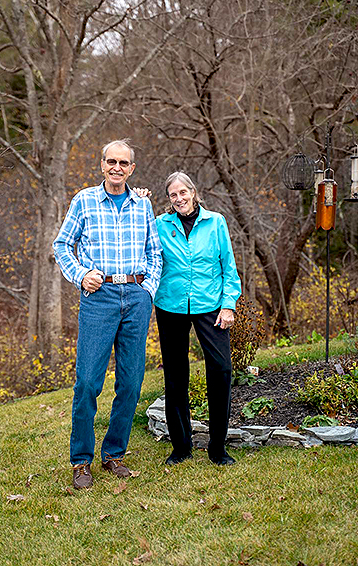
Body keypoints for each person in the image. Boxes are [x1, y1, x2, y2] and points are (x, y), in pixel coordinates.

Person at [53, 139, 162, 489]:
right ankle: (81, 461)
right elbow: (61, 245)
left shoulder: (142, 205)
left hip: (135, 296)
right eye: (111, 161)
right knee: (87, 382)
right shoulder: (84, 200)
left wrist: (148, 289)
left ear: (132, 169)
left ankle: (114, 453)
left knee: (130, 382)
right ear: (102, 165)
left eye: (124, 163)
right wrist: (80, 275)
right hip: (98, 299)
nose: (117, 168)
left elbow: (155, 251)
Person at [139, 172, 241, 466]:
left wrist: (228, 305)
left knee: (221, 370)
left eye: (183, 192)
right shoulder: (159, 224)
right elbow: (137, 236)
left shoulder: (216, 222)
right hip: (170, 305)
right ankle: (181, 446)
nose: (179, 198)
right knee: (175, 375)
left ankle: (217, 448)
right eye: (173, 195)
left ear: (194, 193)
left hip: (211, 305)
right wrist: (140, 201)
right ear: (169, 200)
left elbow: (229, 269)